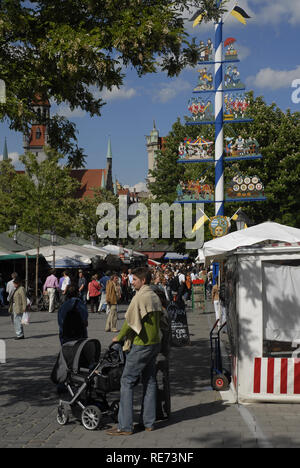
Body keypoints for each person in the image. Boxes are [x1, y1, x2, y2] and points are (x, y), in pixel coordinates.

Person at [107, 267, 163, 436]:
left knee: (127, 381)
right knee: (150, 380)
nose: (132, 282)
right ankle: (149, 422)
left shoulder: (140, 297)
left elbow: (130, 321)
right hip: (154, 343)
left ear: (143, 281)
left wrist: (119, 337)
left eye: (135, 280)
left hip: (142, 344)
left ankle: (125, 426)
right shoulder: (153, 295)